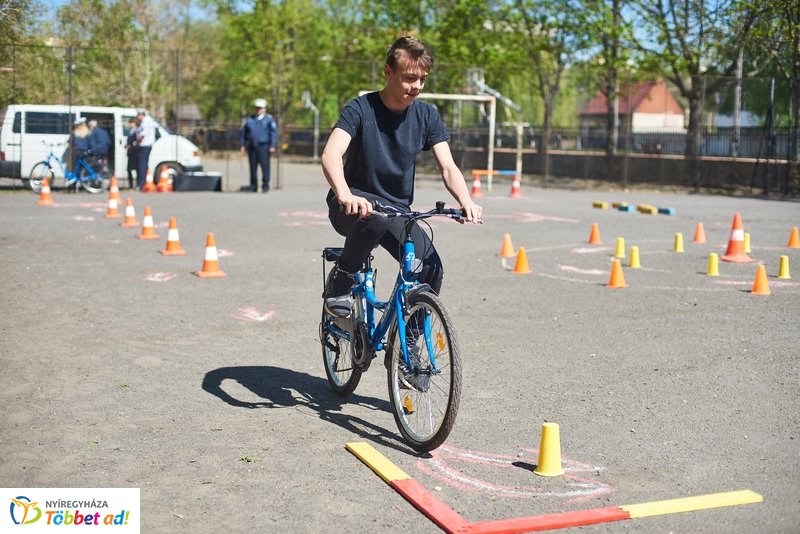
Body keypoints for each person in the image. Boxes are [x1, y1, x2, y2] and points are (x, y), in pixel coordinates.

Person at [321, 36, 482, 318]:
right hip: (351, 205)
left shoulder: (427, 116)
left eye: (422, 79)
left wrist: (465, 200)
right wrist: (344, 194)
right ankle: (342, 277)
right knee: (375, 218)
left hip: (396, 211)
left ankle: (410, 338)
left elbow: (448, 166)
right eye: (409, 78)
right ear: (388, 72)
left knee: (431, 267)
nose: (416, 86)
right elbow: (331, 154)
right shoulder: (360, 108)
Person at [240, 98, 278, 192]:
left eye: (260, 108)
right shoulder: (250, 119)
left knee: (265, 166)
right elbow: (243, 133)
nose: (258, 110)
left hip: (264, 146)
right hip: (252, 146)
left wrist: (272, 145)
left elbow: (273, 133)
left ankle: (265, 185)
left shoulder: (268, 119)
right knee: (253, 167)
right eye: (257, 108)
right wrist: (242, 145)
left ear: (264, 109)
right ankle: (253, 185)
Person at [134, 110, 157, 189]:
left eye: (138, 115)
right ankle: (144, 183)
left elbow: (143, 134)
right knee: (143, 165)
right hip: (145, 146)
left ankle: (141, 184)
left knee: (142, 165)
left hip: (145, 146)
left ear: (141, 115)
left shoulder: (146, 121)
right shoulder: (147, 121)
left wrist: (136, 143)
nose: (137, 117)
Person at [124, 118, 139, 189]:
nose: (130, 124)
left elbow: (136, 142)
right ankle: (131, 185)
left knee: (136, 169)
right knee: (129, 169)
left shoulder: (137, 131)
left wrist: (131, 146)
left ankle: (137, 184)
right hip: (130, 153)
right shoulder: (131, 131)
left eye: (131, 123)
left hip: (134, 153)